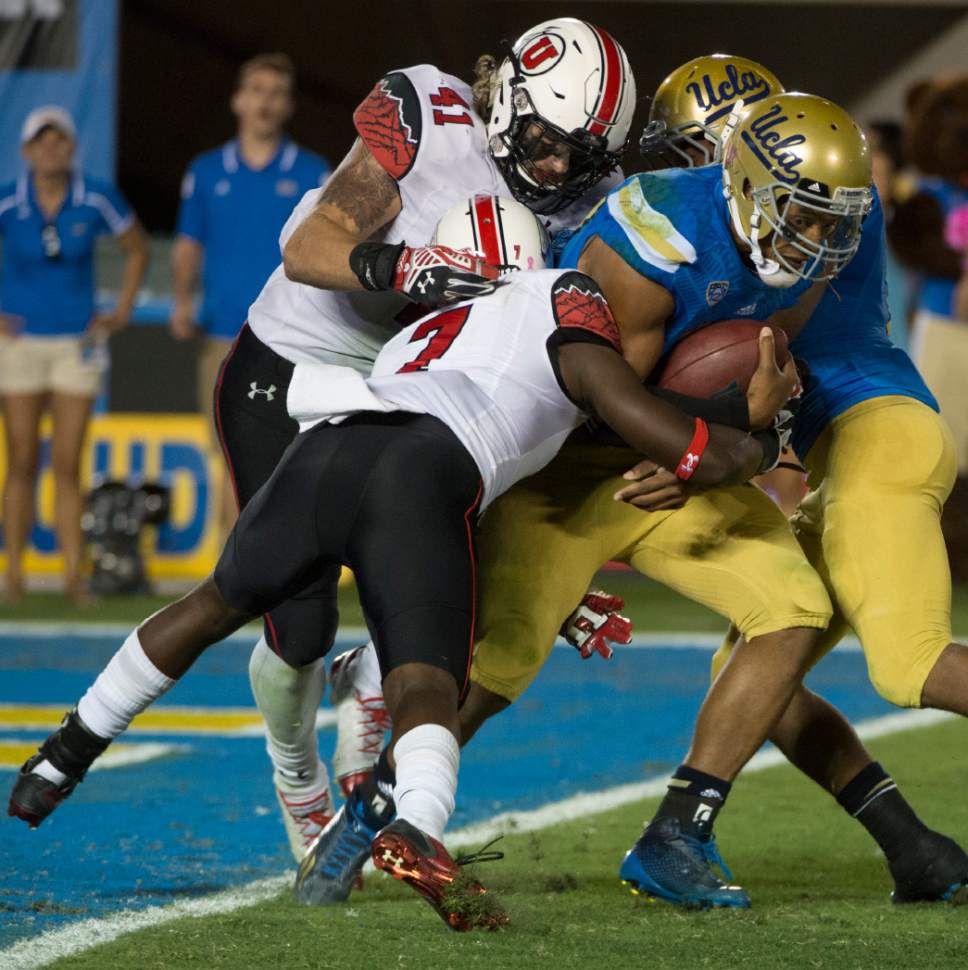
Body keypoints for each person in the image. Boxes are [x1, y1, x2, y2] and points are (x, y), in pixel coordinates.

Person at [7, 195, 793, 932]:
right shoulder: (560, 295)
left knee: (212, 604)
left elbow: (562, 424)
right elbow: (627, 414)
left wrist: (572, 585)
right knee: (426, 680)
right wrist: (748, 442)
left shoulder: (422, 330)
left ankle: (64, 753)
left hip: (324, 452)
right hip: (421, 476)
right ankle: (415, 822)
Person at [330, 89, 882, 909]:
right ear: (746, 181)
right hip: (562, 471)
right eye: (802, 215)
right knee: (496, 668)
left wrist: (742, 449)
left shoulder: (793, 269)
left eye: (830, 222)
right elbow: (591, 402)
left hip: (673, 467)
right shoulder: (647, 241)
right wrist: (724, 434)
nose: (816, 240)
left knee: (793, 608)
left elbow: (776, 414)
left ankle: (677, 834)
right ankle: (369, 815)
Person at [219, 18, 637, 864]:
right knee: (296, 622)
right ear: (509, 98)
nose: (555, 170)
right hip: (293, 370)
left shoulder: (590, 203)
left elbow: (533, 375)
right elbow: (309, 249)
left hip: (418, 397)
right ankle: (296, 775)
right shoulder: (432, 111)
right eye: (543, 142)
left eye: (578, 158)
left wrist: (548, 566)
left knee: (436, 601)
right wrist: (406, 267)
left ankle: (367, 680)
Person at [170, 52, 330, 539]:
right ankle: (233, 569)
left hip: (290, 339)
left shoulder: (312, 172)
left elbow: (327, 245)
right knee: (226, 451)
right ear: (238, 100)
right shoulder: (205, 171)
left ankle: (278, 566)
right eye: (257, 90)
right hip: (224, 334)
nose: (265, 102)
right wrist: (181, 300)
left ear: (288, 106)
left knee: (289, 452)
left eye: (276, 93)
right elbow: (188, 243)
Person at [0, 106, 148, 605]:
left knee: (67, 462)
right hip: (19, 342)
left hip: (76, 344)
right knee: (20, 458)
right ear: (26, 151)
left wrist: (120, 311)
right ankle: (14, 575)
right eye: (41, 141)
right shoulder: (9, 200)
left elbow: (137, 247)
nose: (51, 148)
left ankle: (71, 577)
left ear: (71, 146)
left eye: (59, 139)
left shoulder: (94, 196)